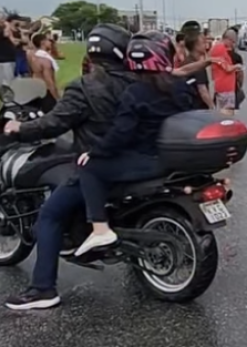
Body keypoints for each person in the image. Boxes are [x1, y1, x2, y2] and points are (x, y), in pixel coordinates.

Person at [3, 24, 136, 310]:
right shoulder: (137, 82)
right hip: (134, 163)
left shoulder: (85, 87)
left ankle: (42, 289)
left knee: (49, 216)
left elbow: (54, 123)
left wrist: (20, 128)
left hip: (98, 166)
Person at [73, 31, 195, 256]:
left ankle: (100, 228)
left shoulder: (135, 93)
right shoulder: (181, 86)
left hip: (148, 159)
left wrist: (95, 152)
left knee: (89, 167)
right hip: (176, 157)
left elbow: (121, 133)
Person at [209, 30, 240, 115]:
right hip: (226, 87)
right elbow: (227, 68)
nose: (233, 45)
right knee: (228, 114)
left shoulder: (217, 48)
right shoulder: (220, 49)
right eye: (233, 42)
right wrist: (237, 66)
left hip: (221, 85)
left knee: (223, 112)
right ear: (228, 39)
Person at [184, 31, 215, 109]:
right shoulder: (197, 65)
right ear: (195, 46)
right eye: (203, 42)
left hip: (188, 105)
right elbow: (202, 90)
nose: (206, 44)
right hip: (198, 107)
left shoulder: (186, 61)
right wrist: (212, 107)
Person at [29, 33, 59, 111]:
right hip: (46, 92)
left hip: (36, 91)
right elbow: (49, 81)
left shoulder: (33, 57)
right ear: (43, 43)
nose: (50, 43)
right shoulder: (45, 61)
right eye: (48, 40)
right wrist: (57, 97)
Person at [0, 16, 19, 83]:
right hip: (5, 60)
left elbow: (13, 41)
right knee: (8, 82)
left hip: (7, 59)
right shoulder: (4, 30)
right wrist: (7, 25)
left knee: (8, 82)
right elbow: (6, 34)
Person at [229, 44, 245, 109]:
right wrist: (240, 86)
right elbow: (240, 74)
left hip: (220, 89)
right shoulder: (237, 57)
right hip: (233, 89)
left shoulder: (219, 56)